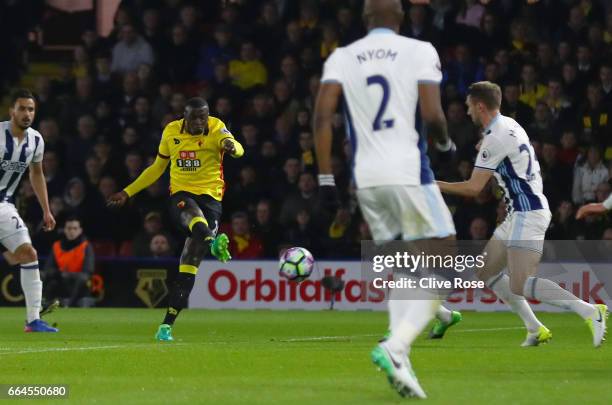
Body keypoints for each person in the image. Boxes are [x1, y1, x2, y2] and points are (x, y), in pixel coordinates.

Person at [313, 0, 458, 398]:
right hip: (410, 172)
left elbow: (322, 117)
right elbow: (432, 115)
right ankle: (395, 346)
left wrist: (326, 178)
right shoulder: (420, 50)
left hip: (367, 179)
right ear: (401, 17)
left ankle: (402, 357)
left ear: (363, 18)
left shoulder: (342, 57)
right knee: (446, 262)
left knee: (408, 267)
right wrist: (445, 144)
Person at [437, 81, 607, 349]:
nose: (467, 111)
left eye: (469, 106)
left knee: (521, 283)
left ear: (480, 106)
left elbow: (473, 188)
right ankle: (534, 328)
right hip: (519, 212)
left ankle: (589, 310)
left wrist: (433, 184)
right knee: (486, 272)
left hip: (528, 212)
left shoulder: (494, 138)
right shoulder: (510, 124)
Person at [107, 97, 243, 341]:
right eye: (195, 118)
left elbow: (235, 145)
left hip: (212, 200)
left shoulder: (216, 126)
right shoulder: (171, 131)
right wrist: (127, 192)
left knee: (188, 265)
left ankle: (166, 326)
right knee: (190, 213)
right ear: (185, 117)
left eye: (204, 116)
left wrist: (232, 147)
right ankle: (212, 241)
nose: (201, 122)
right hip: (181, 196)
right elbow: (157, 168)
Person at [1, 89, 57, 332]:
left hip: (4, 205)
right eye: (22, 108)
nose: (26, 114)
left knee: (28, 253)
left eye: (30, 109)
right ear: (11, 111)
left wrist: (46, 210)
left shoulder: (36, 140)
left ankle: (33, 320)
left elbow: (36, 174)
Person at [43, 217, 94, 307]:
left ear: (80, 230)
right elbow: (48, 268)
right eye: (69, 228)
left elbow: (88, 271)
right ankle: (40, 305)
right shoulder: (57, 246)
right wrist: (59, 274)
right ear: (65, 230)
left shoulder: (86, 246)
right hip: (60, 281)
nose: (72, 231)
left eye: (75, 228)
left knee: (82, 278)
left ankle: (69, 304)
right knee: (44, 277)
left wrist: (69, 275)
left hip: (79, 284)